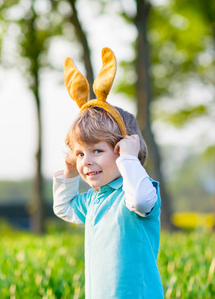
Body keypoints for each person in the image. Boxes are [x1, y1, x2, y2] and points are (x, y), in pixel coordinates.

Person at [53, 47, 164, 298]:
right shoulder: (94, 200)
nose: (87, 161)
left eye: (97, 151)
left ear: (122, 147)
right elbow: (65, 208)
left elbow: (140, 200)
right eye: (80, 154)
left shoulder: (135, 192)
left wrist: (129, 158)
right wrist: (70, 171)